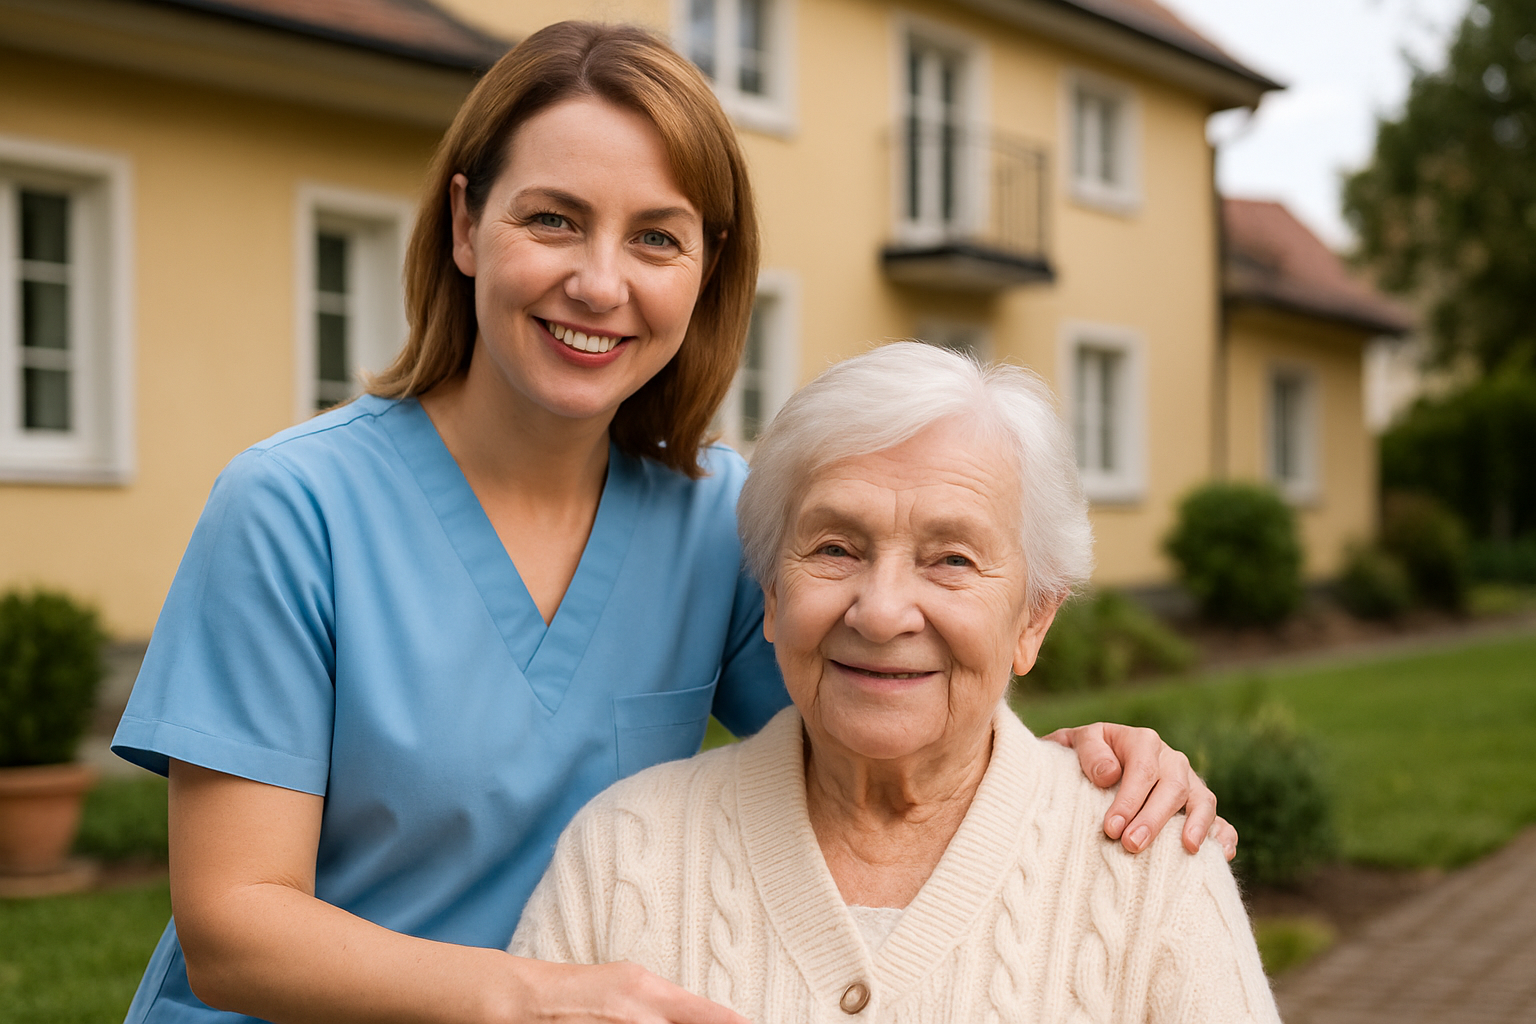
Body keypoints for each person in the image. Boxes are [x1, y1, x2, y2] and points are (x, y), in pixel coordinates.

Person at [111, 23, 1233, 1024]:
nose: (600, 284)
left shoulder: (721, 521)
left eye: (657, 237)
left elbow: (871, 725)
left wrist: (1077, 770)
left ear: (706, 271)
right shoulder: (292, 509)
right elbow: (234, 930)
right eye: (554, 220)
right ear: (465, 224)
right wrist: (538, 993)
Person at [513, 342, 1280, 1023]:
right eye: (836, 548)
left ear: (1033, 621)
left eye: (951, 559)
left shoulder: (1149, 871)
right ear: (773, 594)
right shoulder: (621, 857)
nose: (880, 613)